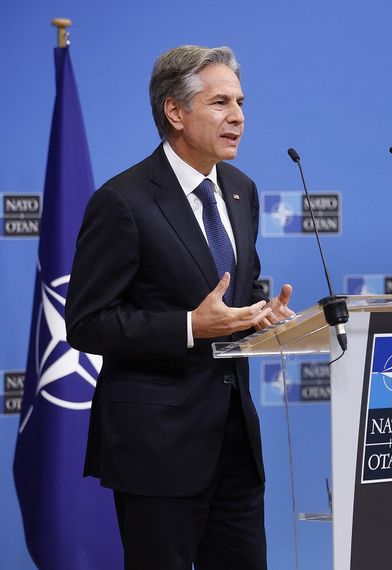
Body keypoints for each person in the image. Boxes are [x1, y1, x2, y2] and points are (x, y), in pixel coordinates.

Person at [66, 45, 293, 570]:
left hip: (235, 445)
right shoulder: (123, 201)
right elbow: (87, 322)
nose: (238, 116)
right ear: (175, 112)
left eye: (240, 101)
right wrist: (190, 326)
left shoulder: (240, 190)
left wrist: (261, 312)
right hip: (158, 449)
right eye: (220, 102)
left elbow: (239, 286)